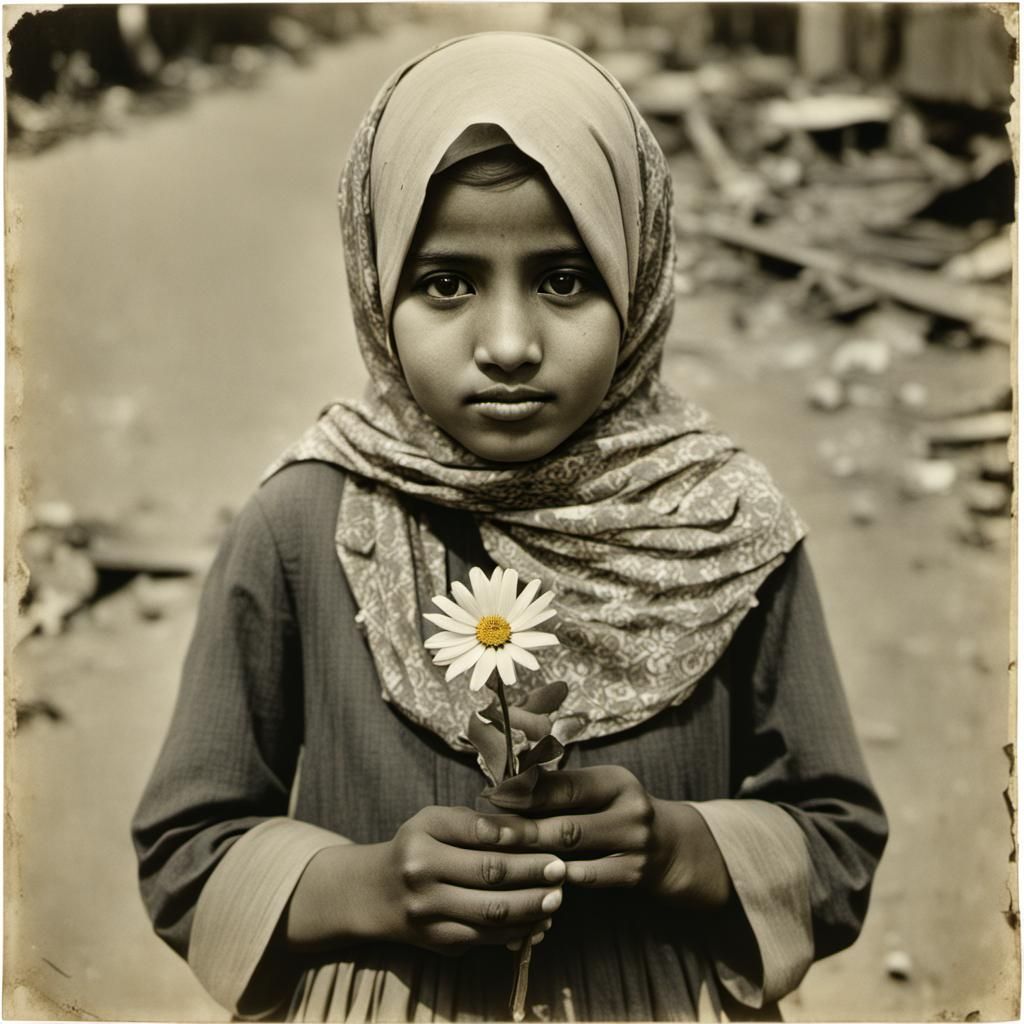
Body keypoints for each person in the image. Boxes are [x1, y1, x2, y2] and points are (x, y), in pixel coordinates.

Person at [132, 32, 887, 1023]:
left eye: (564, 280)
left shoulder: (725, 529)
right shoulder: (305, 524)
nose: (507, 344)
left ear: (640, 273)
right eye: (446, 282)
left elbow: (836, 843)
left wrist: (680, 848)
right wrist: (368, 886)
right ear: (376, 286)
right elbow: (186, 850)